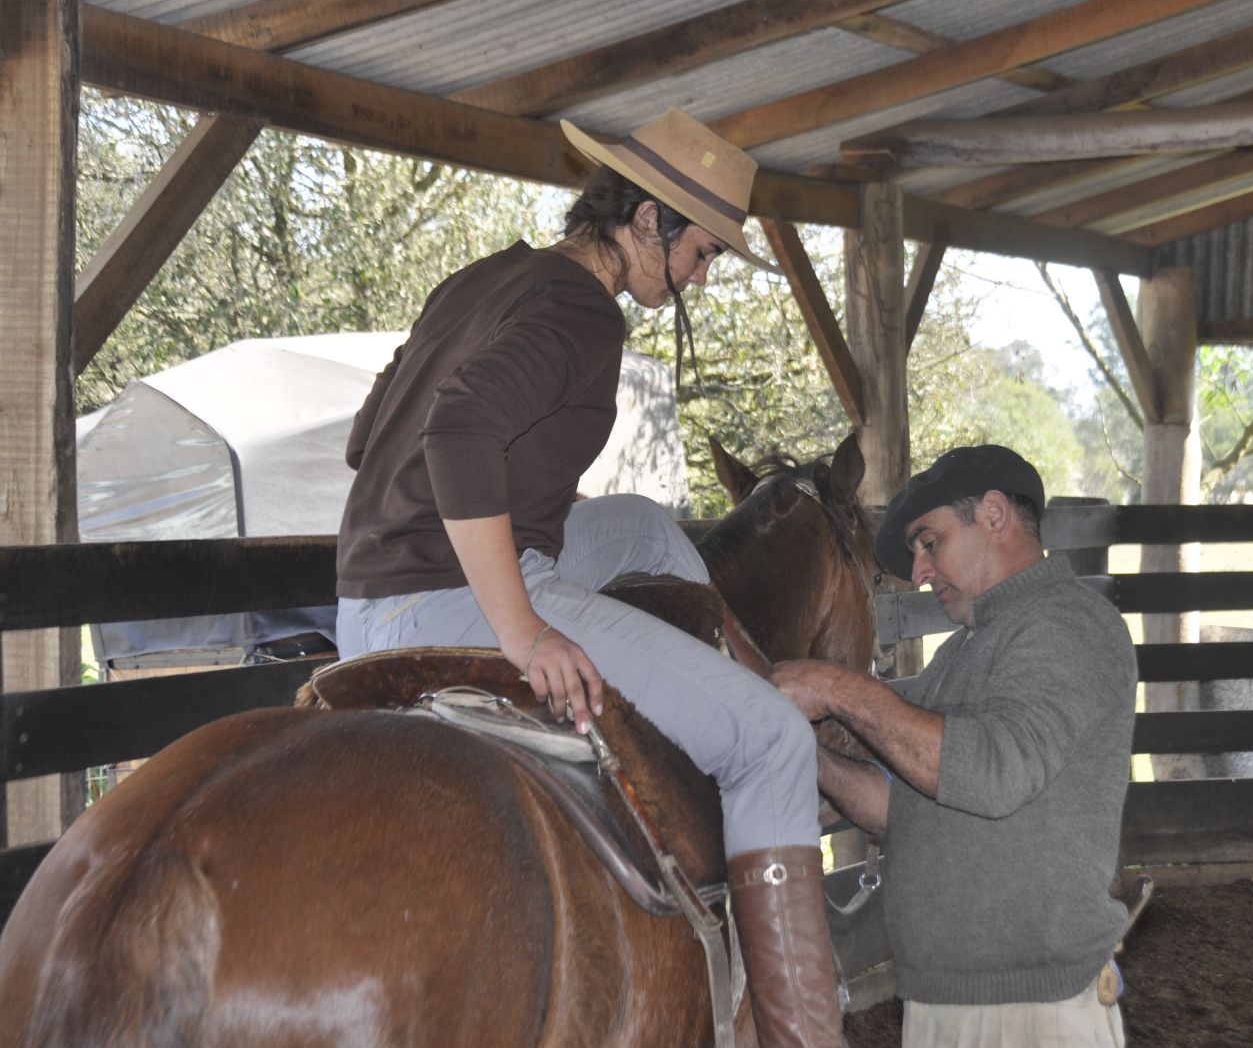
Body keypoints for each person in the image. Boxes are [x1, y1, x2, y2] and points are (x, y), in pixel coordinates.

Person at [334, 107, 842, 1047]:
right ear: (646, 219)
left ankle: (734, 662)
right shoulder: (583, 312)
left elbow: (369, 439)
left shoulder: (485, 277)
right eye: (702, 251)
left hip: (365, 598)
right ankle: (804, 1029)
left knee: (644, 524)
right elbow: (458, 432)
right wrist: (525, 629)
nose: (702, 273)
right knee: (774, 742)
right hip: (456, 594)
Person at [772, 445, 1136, 1047]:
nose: (918, 572)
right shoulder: (961, 652)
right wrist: (800, 747)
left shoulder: (1067, 623)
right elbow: (898, 806)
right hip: (955, 1002)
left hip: (1031, 1013)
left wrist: (835, 687)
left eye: (929, 542)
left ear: (994, 515)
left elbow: (992, 773)